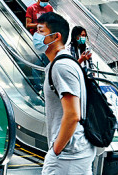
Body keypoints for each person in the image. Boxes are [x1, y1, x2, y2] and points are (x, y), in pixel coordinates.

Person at [35, 12, 96, 173]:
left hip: (67, 154)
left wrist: (56, 150)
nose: (36, 36)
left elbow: (73, 115)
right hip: (76, 150)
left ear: (56, 36)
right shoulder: (63, 63)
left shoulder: (62, 66)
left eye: (41, 31)